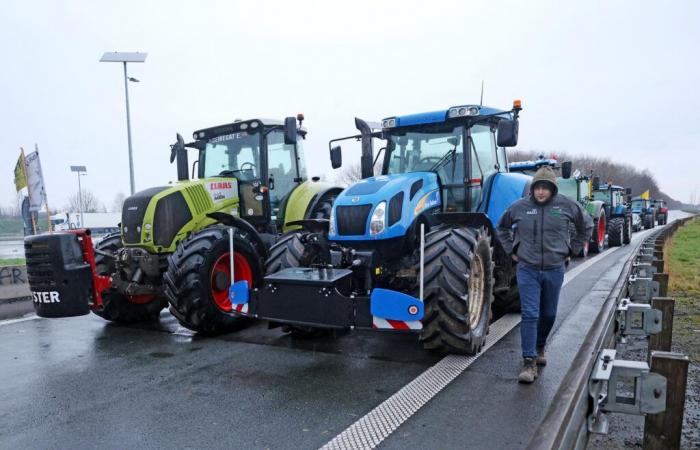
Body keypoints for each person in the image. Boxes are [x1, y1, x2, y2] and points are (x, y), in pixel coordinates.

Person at [496, 166, 593, 384]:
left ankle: (540, 346)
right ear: (532, 189)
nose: (540, 192)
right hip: (527, 269)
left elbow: (586, 225)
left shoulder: (566, 205)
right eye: (537, 188)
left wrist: (573, 249)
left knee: (548, 314)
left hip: (554, 268)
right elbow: (501, 227)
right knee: (530, 314)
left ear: (552, 189)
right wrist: (512, 250)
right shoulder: (519, 207)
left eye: (545, 188)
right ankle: (528, 361)